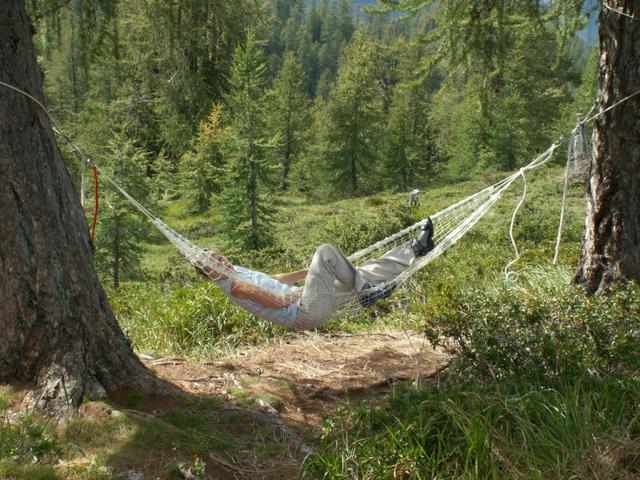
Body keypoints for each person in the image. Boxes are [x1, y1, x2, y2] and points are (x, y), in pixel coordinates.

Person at [197, 218, 435, 330]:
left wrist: (306, 272)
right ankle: (366, 292)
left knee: (359, 273)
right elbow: (278, 302)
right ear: (210, 274)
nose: (222, 262)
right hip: (304, 311)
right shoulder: (237, 286)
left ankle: (415, 250)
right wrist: (304, 290)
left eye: (220, 257)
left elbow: (273, 280)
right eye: (215, 264)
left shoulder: (235, 272)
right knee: (325, 252)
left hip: (308, 302)